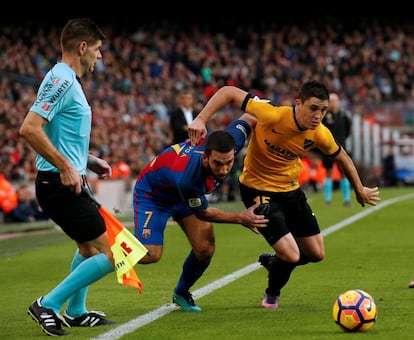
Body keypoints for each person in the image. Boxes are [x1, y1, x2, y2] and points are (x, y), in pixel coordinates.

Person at [188, 80, 380, 310]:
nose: (318, 115)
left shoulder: (319, 133)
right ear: (298, 103)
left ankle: (274, 263)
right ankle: (272, 293)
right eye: (313, 108)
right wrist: (201, 118)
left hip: (290, 190)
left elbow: (342, 157)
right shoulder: (272, 115)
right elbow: (229, 92)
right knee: (291, 255)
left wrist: (359, 189)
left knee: (316, 253)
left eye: (323, 110)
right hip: (257, 189)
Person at [19, 18, 116, 336]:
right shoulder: (61, 79)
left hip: (64, 180)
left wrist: (86, 161)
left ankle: (75, 311)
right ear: (83, 47)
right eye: (98, 49)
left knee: (89, 250)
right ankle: (47, 304)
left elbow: (55, 134)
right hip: (58, 185)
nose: (100, 57)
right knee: (113, 253)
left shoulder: (65, 80)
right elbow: (30, 128)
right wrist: (67, 167)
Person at [133, 113, 268, 312]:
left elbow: (251, 115)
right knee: (150, 255)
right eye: (217, 164)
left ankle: (181, 292)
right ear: (205, 157)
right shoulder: (190, 177)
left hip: (182, 195)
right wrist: (240, 218)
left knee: (205, 248)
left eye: (229, 163)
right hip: (154, 196)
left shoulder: (231, 141)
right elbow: (203, 213)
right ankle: (105, 241)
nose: (223, 170)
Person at [320, 92, 353, 206]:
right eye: (331, 101)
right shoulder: (324, 116)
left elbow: (348, 131)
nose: (333, 103)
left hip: (341, 148)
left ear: (338, 102)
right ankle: (328, 200)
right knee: (328, 172)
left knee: (344, 172)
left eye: (335, 101)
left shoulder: (344, 116)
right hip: (327, 149)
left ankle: (347, 199)